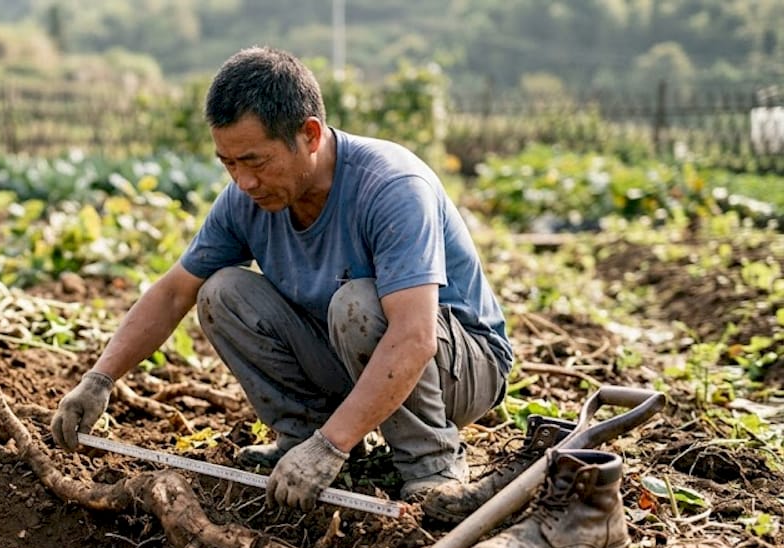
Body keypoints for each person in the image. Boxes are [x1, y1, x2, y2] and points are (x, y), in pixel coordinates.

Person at [50, 46, 512, 512]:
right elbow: (173, 294)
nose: (244, 182)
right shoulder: (246, 201)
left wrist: (331, 445)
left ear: (309, 134)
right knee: (221, 292)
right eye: (229, 163)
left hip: (459, 368)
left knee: (357, 303)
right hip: (356, 357)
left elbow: (414, 337)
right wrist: (100, 379)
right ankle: (302, 441)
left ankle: (430, 462)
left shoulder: (390, 186)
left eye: (256, 161)